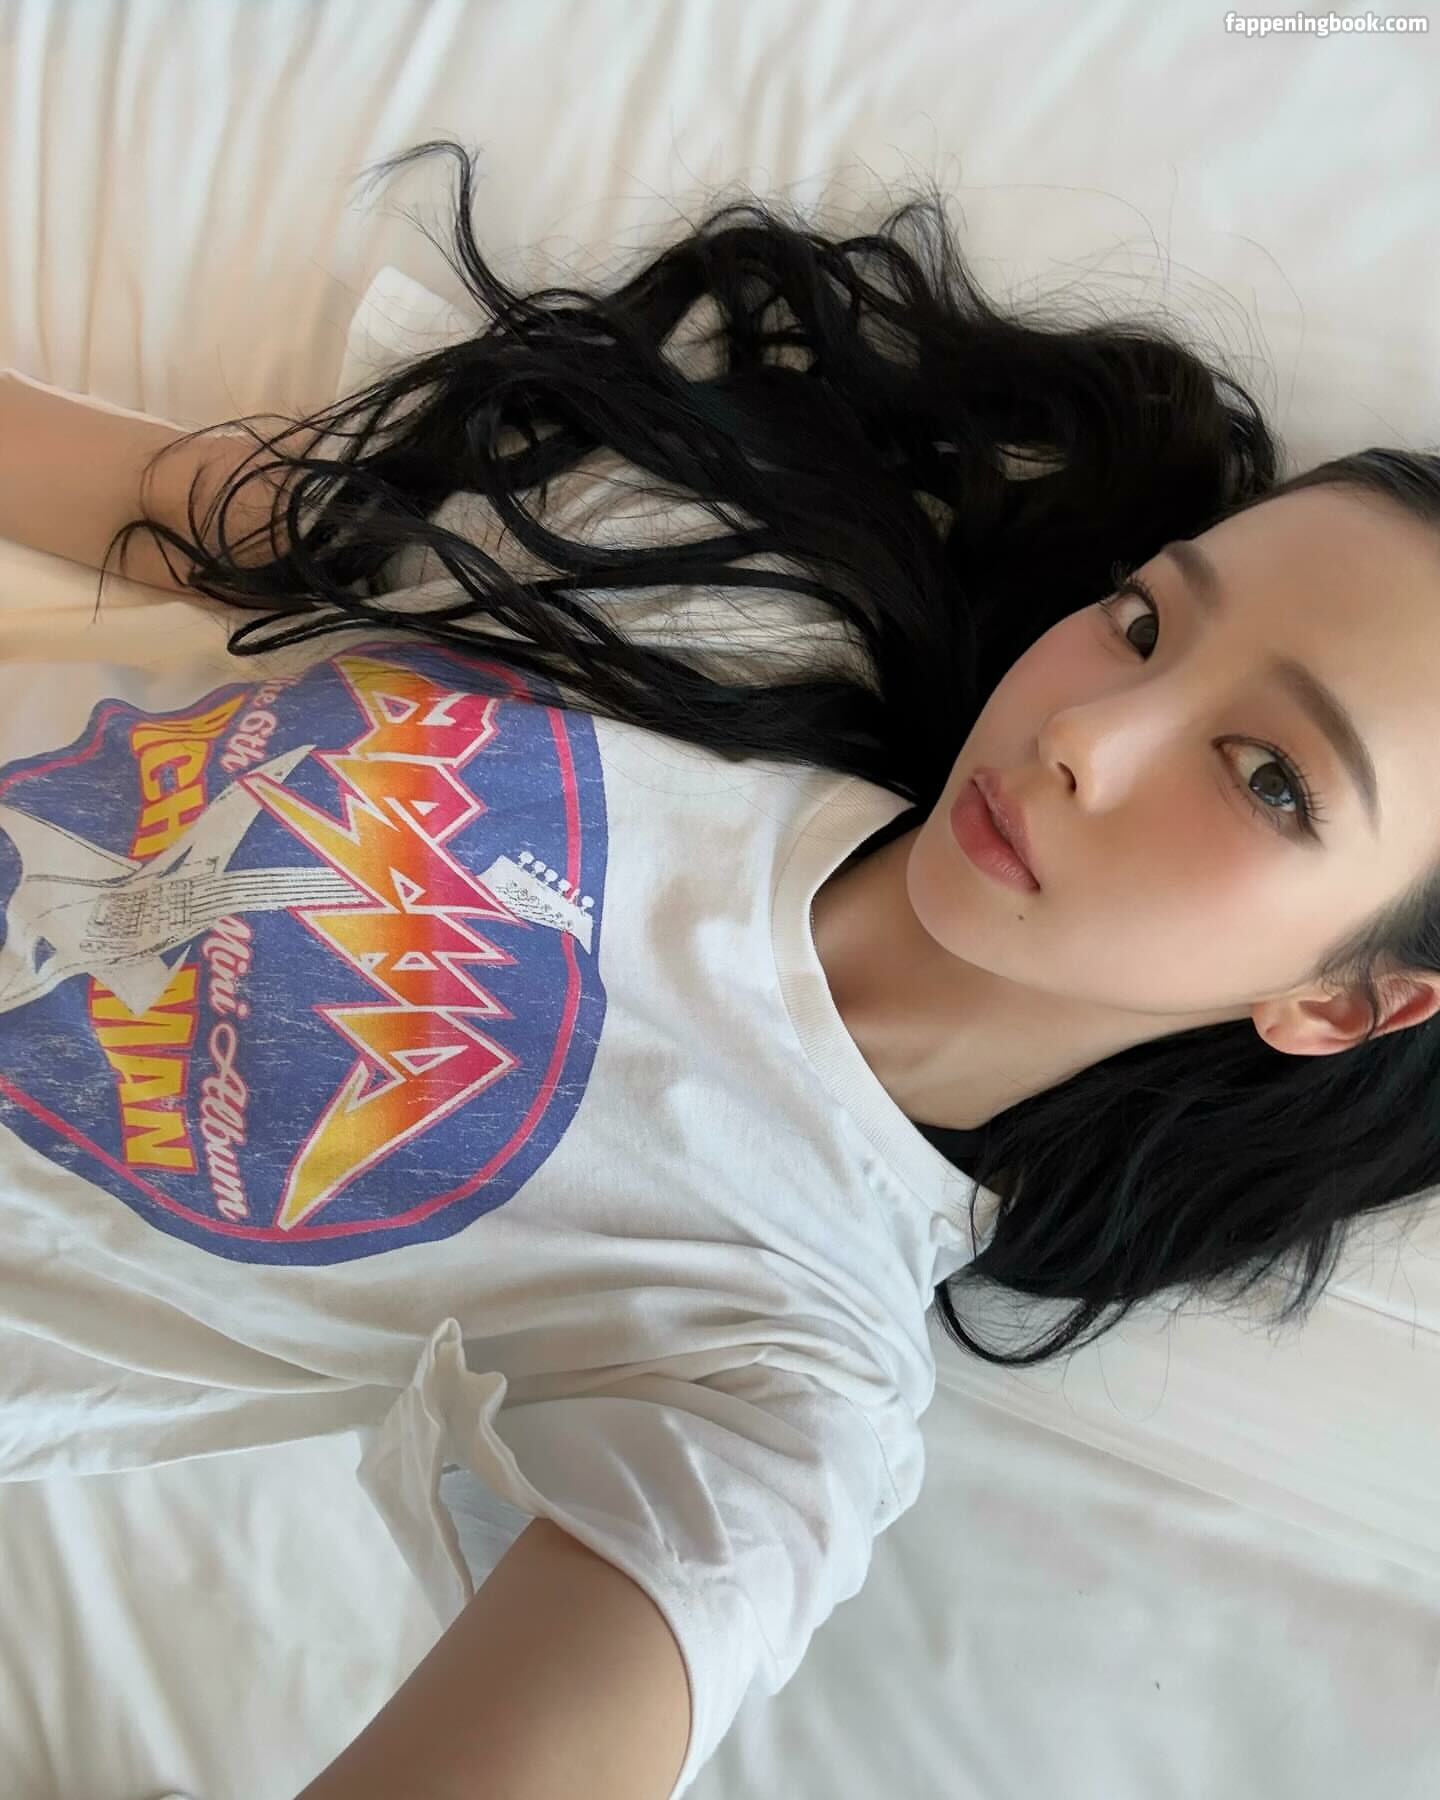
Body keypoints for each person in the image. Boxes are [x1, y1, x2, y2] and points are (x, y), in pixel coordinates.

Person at [2, 136, 1437, 1798]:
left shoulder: (775, 1355)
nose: (1091, 740)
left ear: (1337, 1001)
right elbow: (222, 522)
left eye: (1271, 781)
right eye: (1142, 623)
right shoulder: (735, 598)